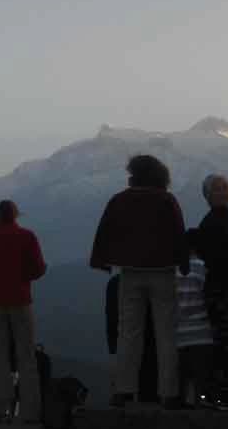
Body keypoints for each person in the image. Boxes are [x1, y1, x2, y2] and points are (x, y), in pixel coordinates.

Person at [90, 155, 188, 410]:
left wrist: (102, 260)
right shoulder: (166, 200)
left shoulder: (120, 200)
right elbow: (178, 232)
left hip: (130, 272)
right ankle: (169, 392)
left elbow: (105, 231)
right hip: (163, 271)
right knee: (166, 333)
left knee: (129, 333)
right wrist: (184, 262)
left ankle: (123, 390)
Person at [0, 200, 47, 423]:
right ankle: (30, 412)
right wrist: (23, 277)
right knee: (26, 356)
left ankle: (1, 407)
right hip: (21, 301)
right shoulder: (28, 237)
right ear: (16, 216)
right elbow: (38, 269)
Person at [194, 174, 228, 410]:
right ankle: (226, 398)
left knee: (227, 346)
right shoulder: (215, 223)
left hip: (226, 290)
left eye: (227, 187)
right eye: (218, 189)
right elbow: (219, 259)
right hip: (223, 292)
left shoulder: (224, 220)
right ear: (207, 196)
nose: (224, 192)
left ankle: (225, 397)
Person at [105, 273, 160, 402]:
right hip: (150, 343)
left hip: (125, 341)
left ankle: (123, 400)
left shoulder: (116, 282)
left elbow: (111, 316)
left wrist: (112, 343)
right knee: (148, 388)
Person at [175, 254, 214, 406]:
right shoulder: (203, 267)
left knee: (181, 378)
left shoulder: (172, 269)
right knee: (201, 378)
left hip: (178, 332)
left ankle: (178, 408)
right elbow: (208, 294)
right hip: (202, 331)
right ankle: (201, 404)